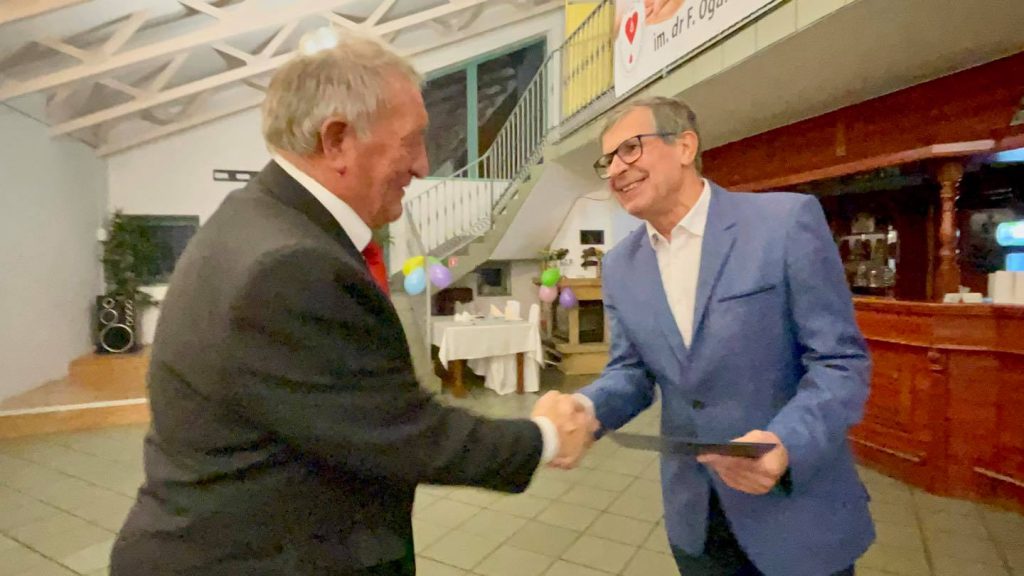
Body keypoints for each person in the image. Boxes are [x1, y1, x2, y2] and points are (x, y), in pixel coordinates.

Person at [109, 33, 589, 576]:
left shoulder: (258, 220)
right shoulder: (291, 266)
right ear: (337, 140)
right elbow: (399, 430)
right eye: (412, 142)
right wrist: (545, 436)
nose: (422, 165)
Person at [565, 97, 875, 576]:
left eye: (630, 149)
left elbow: (840, 362)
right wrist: (584, 408)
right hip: (698, 521)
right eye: (607, 160)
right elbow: (631, 373)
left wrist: (786, 442)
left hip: (796, 511)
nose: (616, 170)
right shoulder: (621, 265)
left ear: (685, 146)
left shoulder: (784, 223)